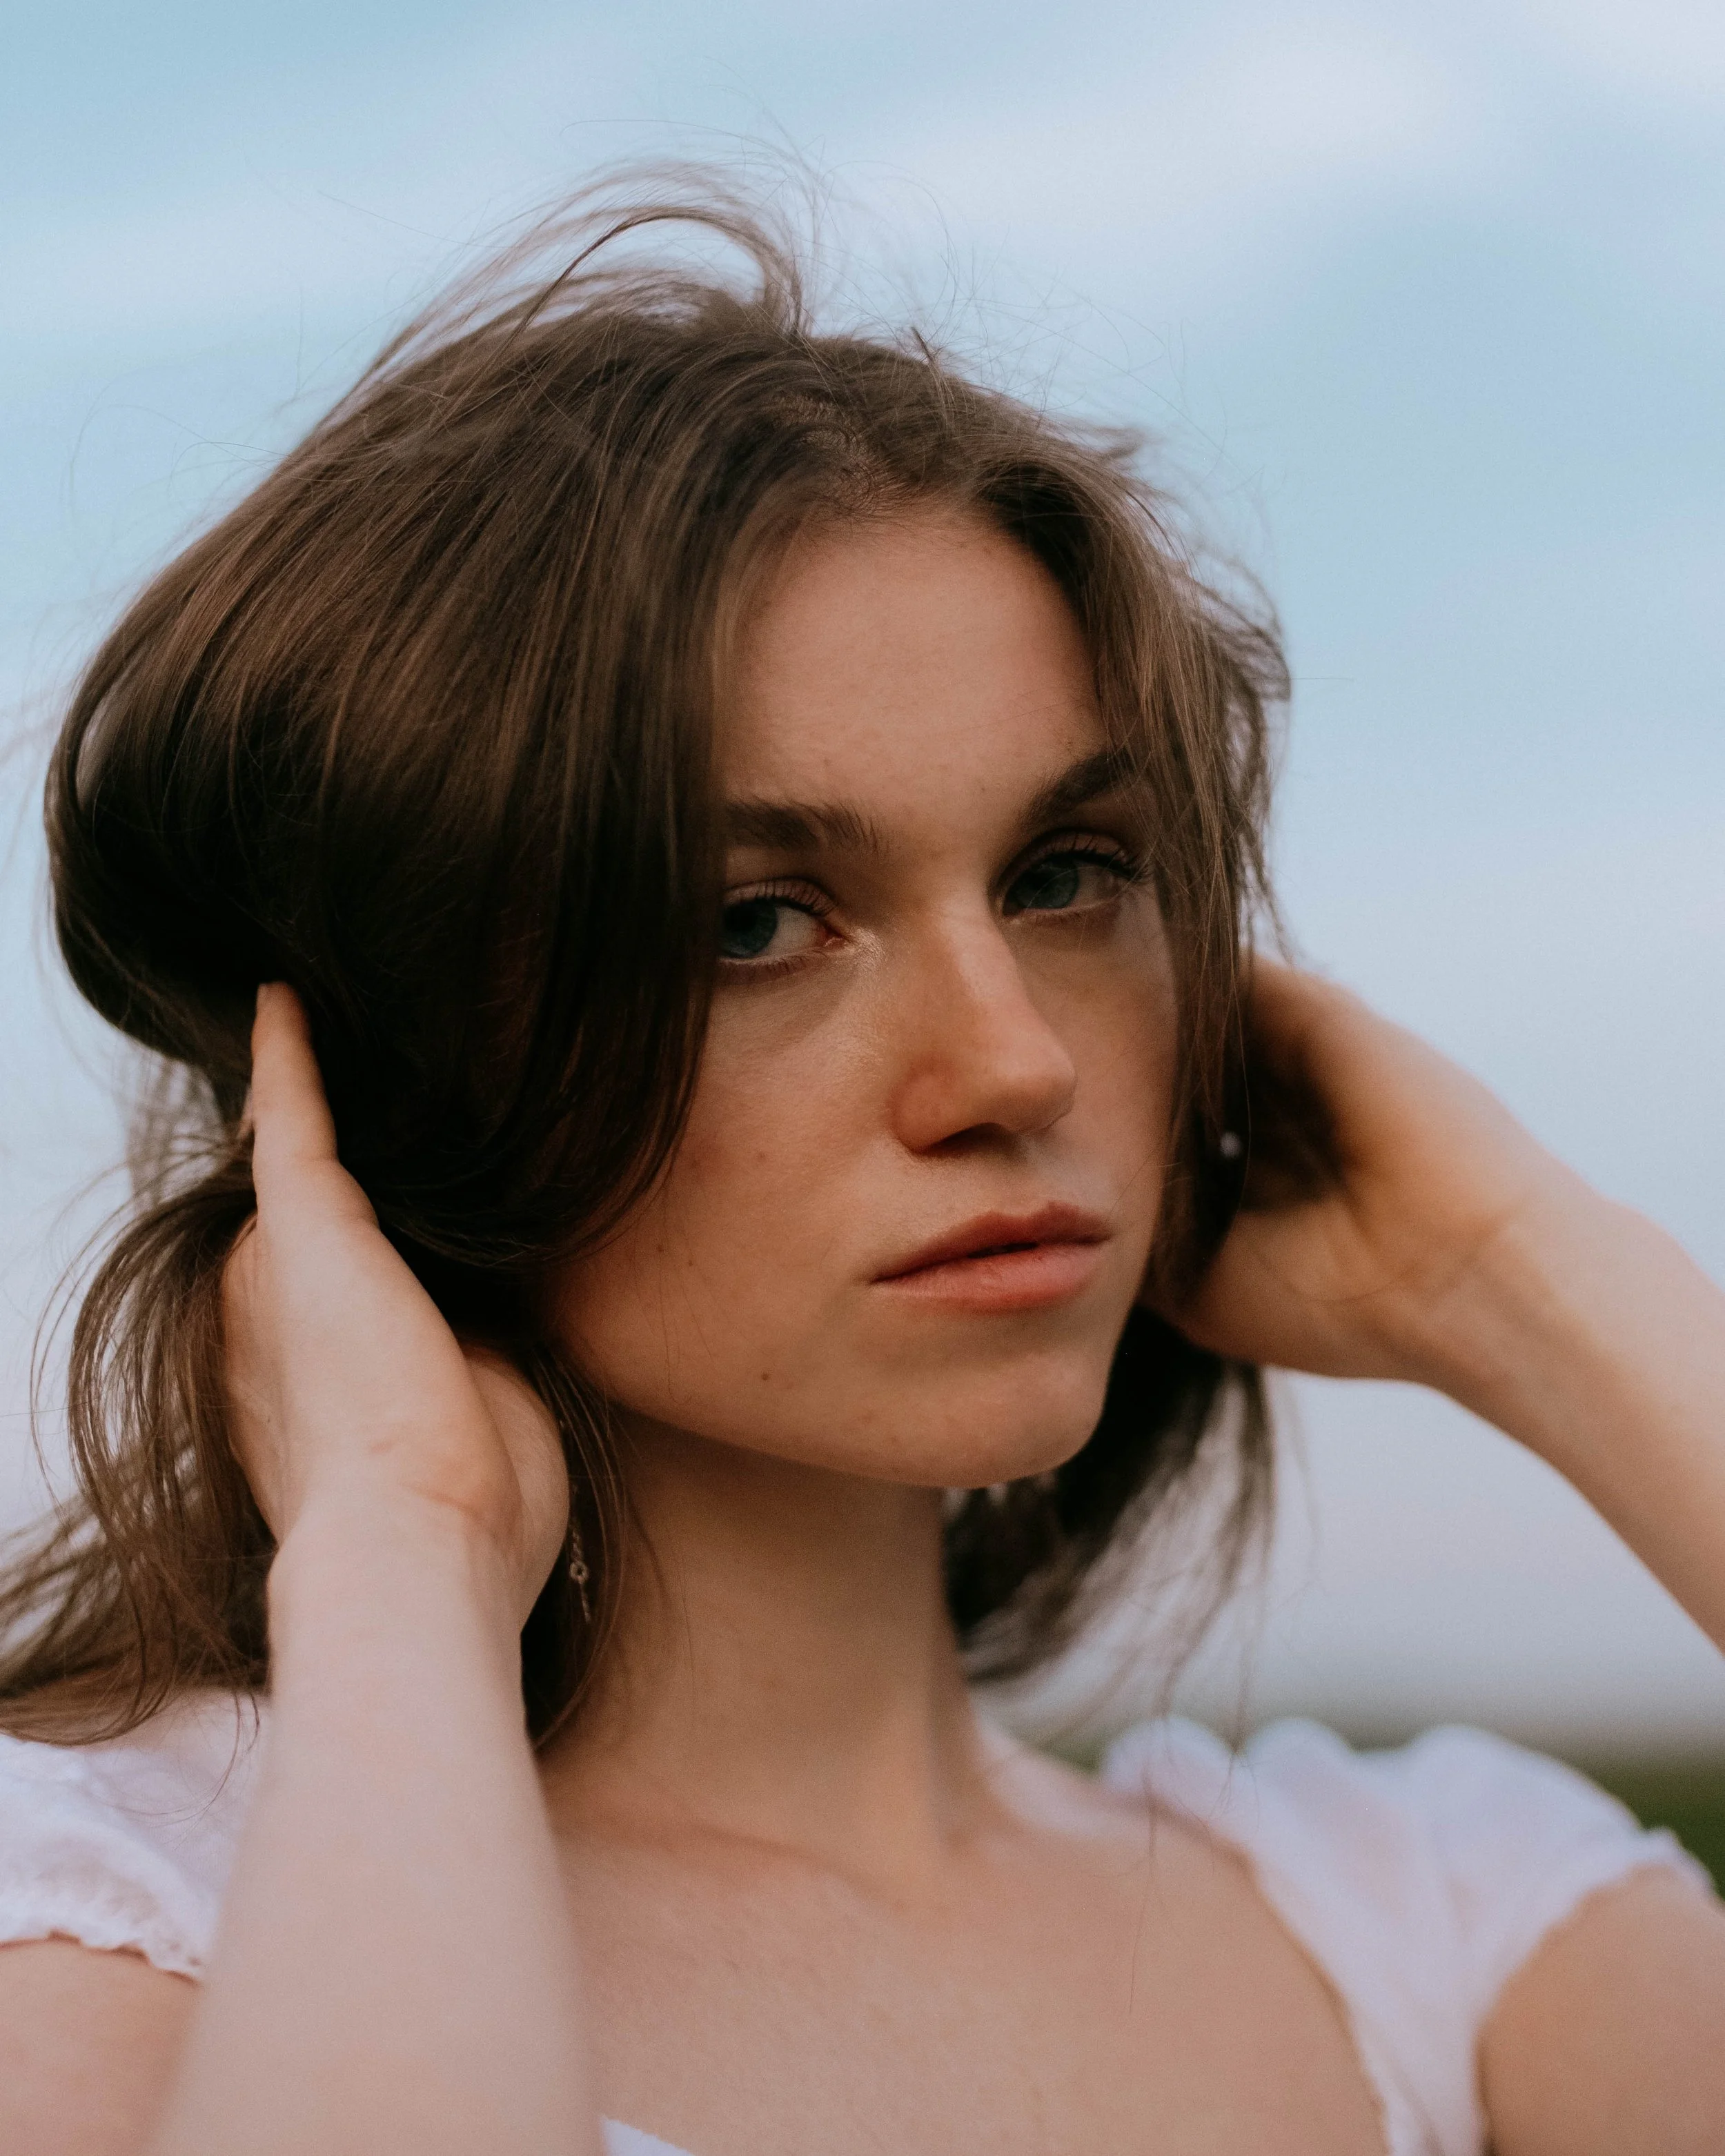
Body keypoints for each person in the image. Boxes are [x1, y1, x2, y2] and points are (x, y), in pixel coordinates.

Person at [1, 172, 1723, 2156]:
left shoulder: (1447, 1926)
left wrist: (1526, 1280)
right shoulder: (114, 1925)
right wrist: (393, 1544)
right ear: (384, 1063)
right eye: (752, 922)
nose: (1011, 1060)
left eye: (1069, 876)